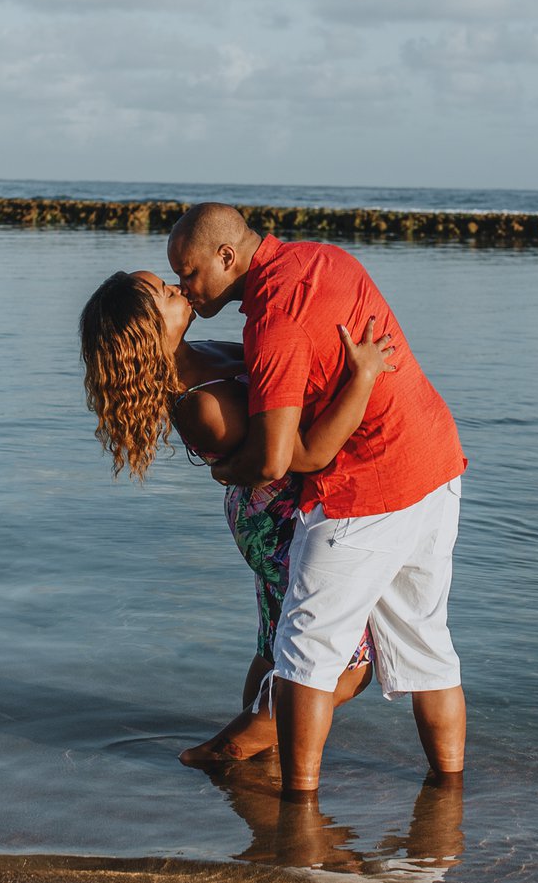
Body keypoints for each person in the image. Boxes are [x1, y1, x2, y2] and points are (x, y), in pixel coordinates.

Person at [165, 203, 468, 797]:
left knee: (305, 655)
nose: (184, 285)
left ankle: (298, 806)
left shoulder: (274, 317)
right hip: (434, 462)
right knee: (427, 647)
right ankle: (450, 795)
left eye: (190, 271)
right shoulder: (323, 258)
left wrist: (225, 469)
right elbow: (275, 373)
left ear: (228, 257)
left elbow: (279, 459)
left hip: (368, 490)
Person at [78, 269, 398, 764]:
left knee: (277, 643)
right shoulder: (202, 405)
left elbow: (279, 372)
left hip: (271, 510)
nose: (177, 286)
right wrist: (364, 377)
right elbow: (305, 454)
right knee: (346, 669)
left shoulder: (200, 352)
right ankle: (228, 748)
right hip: (276, 520)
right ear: (146, 329)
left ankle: (258, 747)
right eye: (164, 292)